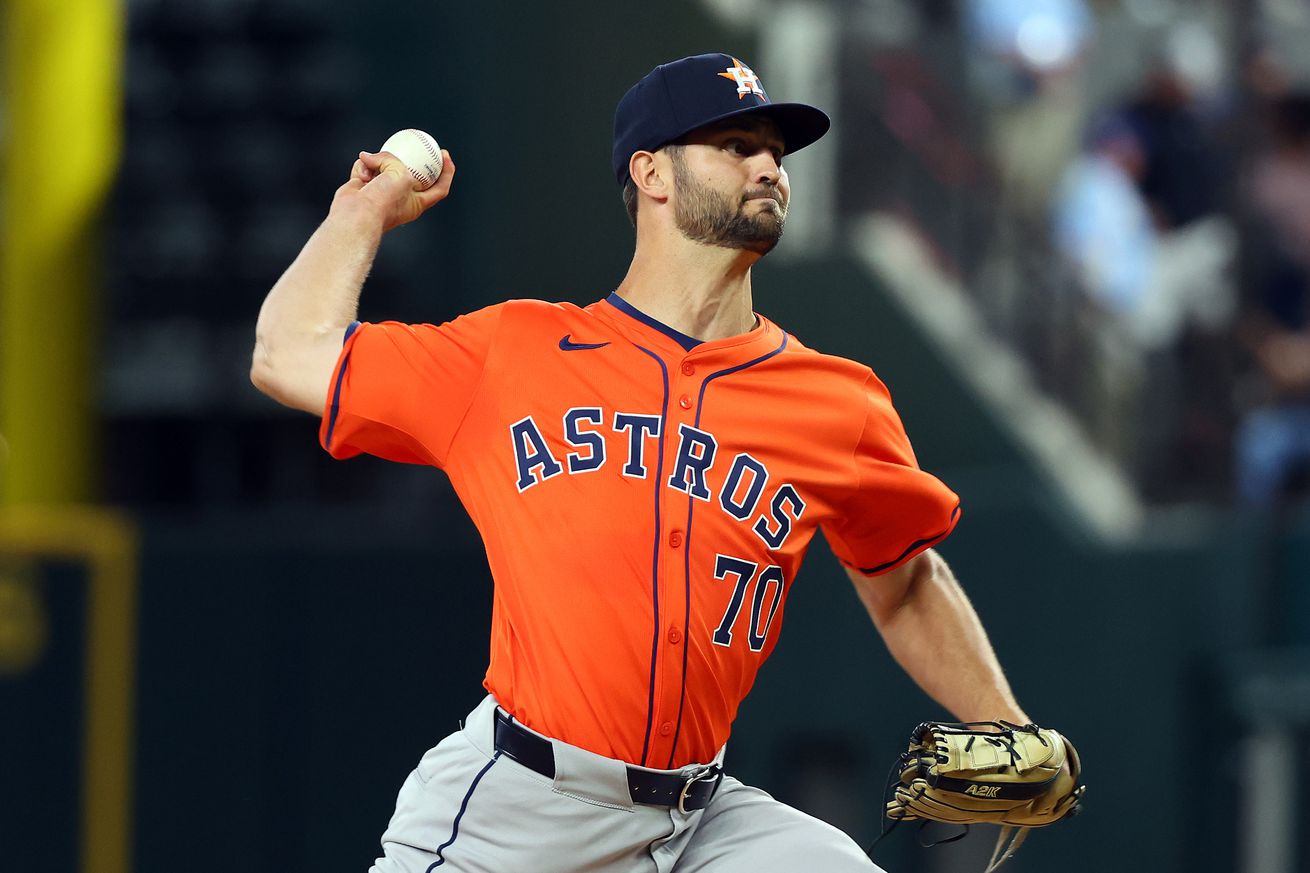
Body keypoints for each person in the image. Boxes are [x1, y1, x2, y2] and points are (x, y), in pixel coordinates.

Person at [251, 52, 1031, 873]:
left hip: (703, 820)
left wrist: (1007, 726)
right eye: (734, 143)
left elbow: (905, 581)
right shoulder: (513, 353)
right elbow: (286, 353)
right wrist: (363, 211)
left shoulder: (840, 402)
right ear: (651, 172)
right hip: (520, 810)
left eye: (775, 150)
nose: (769, 165)